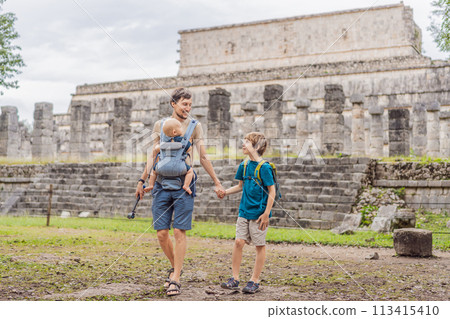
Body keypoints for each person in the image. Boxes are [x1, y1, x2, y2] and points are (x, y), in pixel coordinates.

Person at [135, 87, 225, 297]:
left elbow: (203, 157)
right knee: (161, 234)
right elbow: (153, 156)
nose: (188, 108)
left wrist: (217, 182)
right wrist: (142, 179)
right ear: (173, 104)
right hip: (160, 184)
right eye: (184, 104)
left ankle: (175, 277)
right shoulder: (160, 125)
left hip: (184, 183)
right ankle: (177, 266)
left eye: (190, 105)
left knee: (178, 231)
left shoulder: (195, 127)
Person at [217, 132, 276, 294]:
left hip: (259, 214)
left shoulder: (264, 168)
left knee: (259, 245)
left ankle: (254, 280)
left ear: (257, 147)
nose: (243, 145)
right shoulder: (243, 165)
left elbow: (272, 191)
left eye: (247, 142)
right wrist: (225, 192)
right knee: (238, 242)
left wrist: (266, 213)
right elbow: (240, 187)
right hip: (244, 211)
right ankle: (234, 278)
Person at [145, 118, 195, 195]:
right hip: (179, 168)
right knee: (190, 171)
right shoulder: (183, 141)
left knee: (153, 171)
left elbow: (156, 149)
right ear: (174, 132)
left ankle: (151, 185)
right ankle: (186, 186)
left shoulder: (163, 142)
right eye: (180, 127)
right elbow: (189, 149)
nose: (182, 129)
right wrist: (190, 142)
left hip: (162, 167)